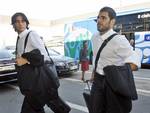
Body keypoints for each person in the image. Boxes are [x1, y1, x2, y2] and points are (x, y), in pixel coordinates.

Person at [11, 12, 70, 113]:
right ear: (13, 25)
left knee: (34, 107)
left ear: (26, 23)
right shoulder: (20, 38)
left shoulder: (31, 34)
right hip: (32, 81)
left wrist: (24, 60)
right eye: (17, 21)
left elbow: (43, 56)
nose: (20, 23)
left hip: (38, 80)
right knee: (50, 102)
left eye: (23, 21)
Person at [90, 7, 141, 113]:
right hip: (98, 81)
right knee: (94, 109)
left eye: (103, 18)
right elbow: (96, 57)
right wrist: (94, 73)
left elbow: (135, 63)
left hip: (112, 83)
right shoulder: (94, 37)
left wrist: (115, 72)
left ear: (112, 22)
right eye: (98, 17)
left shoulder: (119, 40)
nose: (99, 21)